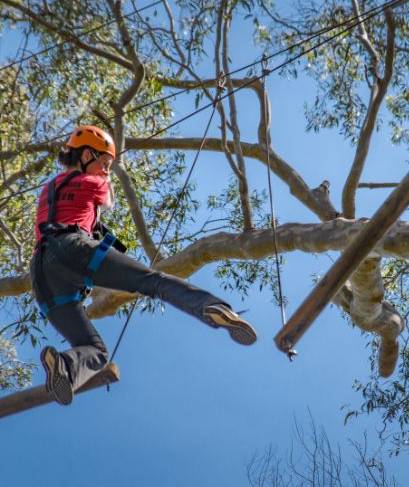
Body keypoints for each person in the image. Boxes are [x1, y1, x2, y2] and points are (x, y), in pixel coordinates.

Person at [30, 125, 257, 405]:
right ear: (87, 154)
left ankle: (64, 366)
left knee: (95, 351)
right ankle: (214, 307)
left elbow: (68, 212)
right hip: (72, 248)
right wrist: (107, 179)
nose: (105, 170)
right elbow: (107, 201)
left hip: (41, 275)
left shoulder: (48, 188)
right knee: (152, 282)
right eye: (104, 163)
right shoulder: (94, 182)